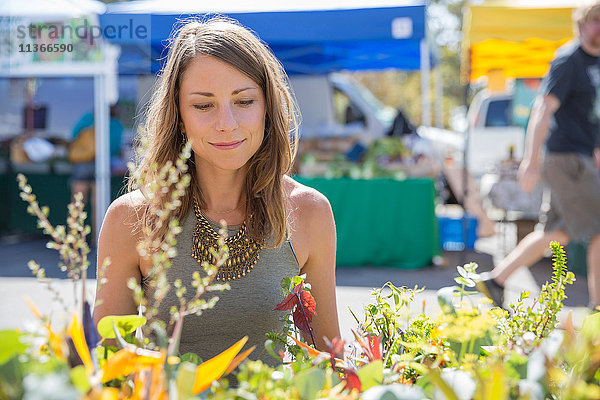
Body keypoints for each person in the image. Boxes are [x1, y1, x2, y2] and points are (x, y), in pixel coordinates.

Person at [92, 17, 341, 364]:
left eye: (244, 101)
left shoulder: (309, 212)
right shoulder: (132, 218)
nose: (227, 123)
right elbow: (105, 364)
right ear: (179, 114)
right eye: (203, 105)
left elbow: (330, 359)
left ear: (267, 106)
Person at [477, 2, 600, 309]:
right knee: (599, 228)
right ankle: (598, 309)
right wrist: (531, 160)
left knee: (556, 233)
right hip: (565, 159)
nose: (599, 27)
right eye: (595, 20)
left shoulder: (594, 63)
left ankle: (495, 280)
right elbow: (543, 108)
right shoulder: (569, 60)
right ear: (582, 24)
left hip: (582, 157)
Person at [70, 104, 124, 239]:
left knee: (77, 204)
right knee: (98, 205)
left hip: (82, 163)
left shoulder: (88, 117)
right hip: (101, 165)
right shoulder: (116, 124)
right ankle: (97, 241)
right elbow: (114, 147)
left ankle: (74, 241)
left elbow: (74, 134)